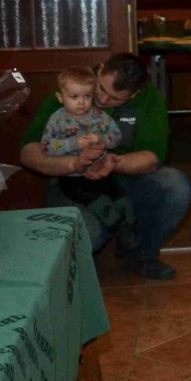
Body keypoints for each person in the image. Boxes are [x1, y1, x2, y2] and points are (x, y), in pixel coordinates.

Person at [20, 53, 191, 280]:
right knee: (88, 235)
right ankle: (97, 249)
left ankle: (141, 255)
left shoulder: (149, 99)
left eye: (114, 99)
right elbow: (29, 151)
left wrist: (114, 162)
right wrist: (72, 163)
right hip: (69, 182)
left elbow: (152, 157)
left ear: (134, 94)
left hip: (120, 179)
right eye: (100, 88)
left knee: (176, 186)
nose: (101, 100)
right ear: (100, 70)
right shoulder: (75, 86)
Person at [41, 66, 137, 255]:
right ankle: (122, 232)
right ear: (61, 97)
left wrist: (102, 139)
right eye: (74, 97)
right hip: (72, 178)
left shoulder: (99, 116)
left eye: (87, 96)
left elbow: (117, 136)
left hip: (102, 172)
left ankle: (129, 232)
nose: (81, 102)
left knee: (121, 198)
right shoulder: (57, 120)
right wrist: (72, 143)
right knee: (100, 203)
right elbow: (46, 147)